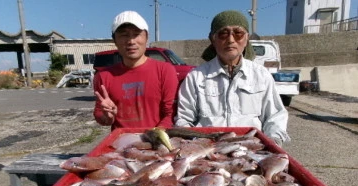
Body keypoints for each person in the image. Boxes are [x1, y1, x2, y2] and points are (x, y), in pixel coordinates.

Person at [174, 10, 290, 146]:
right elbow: (184, 120)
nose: (230, 39)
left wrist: (272, 143)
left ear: (247, 38)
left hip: (250, 150)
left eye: (238, 33)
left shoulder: (261, 75)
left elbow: (275, 117)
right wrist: (197, 146)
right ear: (213, 39)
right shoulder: (196, 77)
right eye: (223, 33)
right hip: (208, 151)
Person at [93, 11, 179, 130]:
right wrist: (107, 117)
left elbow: (170, 113)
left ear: (146, 37)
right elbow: (100, 115)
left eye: (136, 34)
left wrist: (154, 136)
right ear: (114, 40)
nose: (131, 41)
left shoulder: (165, 70)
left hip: (156, 140)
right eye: (124, 35)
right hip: (122, 143)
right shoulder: (103, 76)